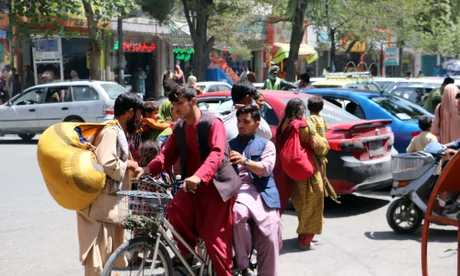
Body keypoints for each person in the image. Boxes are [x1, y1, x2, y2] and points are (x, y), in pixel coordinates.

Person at [138, 86, 242, 276]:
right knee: (176, 208)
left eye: (179, 103)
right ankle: (186, 254)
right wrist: (145, 169)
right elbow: (166, 155)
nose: (175, 109)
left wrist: (199, 175)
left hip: (217, 187)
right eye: (173, 105)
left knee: (213, 235)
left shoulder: (212, 122)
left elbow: (217, 153)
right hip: (192, 186)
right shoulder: (178, 127)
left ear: (193, 101)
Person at [77, 93, 143, 276]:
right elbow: (107, 163)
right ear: (130, 112)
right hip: (98, 205)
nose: (140, 120)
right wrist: (128, 164)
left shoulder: (115, 130)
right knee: (98, 259)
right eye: (139, 114)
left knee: (105, 256)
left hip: (104, 205)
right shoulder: (111, 132)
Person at [229, 105, 280, 276]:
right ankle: (244, 265)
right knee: (237, 213)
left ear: (257, 124)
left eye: (246, 121)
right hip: (238, 191)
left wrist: (244, 161)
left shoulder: (267, 146)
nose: (240, 125)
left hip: (263, 193)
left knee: (270, 237)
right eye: (238, 121)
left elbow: (265, 169)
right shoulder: (229, 145)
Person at [274, 98, 329, 249]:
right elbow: (318, 145)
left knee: (301, 205)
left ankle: (303, 235)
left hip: (289, 172)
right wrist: (325, 145)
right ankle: (305, 240)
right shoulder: (301, 126)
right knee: (312, 203)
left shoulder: (282, 125)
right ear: (300, 112)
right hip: (306, 172)